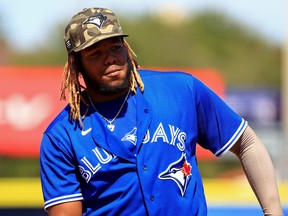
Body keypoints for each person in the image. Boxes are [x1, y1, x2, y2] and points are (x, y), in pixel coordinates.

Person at [40, 7, 284, 216]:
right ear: (76, 65)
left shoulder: (180, 90)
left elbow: (247, 143)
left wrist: (273, 213)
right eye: (95, 54)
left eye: (115, 47)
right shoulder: (61, 135)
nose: (110, 59)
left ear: (126, 48)